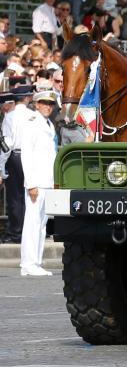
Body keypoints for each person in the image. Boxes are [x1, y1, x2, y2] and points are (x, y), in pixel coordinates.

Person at [19, 90, 57, 276]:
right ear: (36, 104)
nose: (48, 106)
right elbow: (26, 155)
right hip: (37, 182)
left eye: (50, 104)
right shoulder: (32, 123)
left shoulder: (49, 124)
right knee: (33, 222)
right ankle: (28, 263)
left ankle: (35, 261)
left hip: (47, 181)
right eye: (44, 103)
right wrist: (31, 183)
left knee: (41, 224)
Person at [0, 86, 32, 244]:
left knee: (14, 197)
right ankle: (27, 231)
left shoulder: (10, 116)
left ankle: (16, 233)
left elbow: (7, 144)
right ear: (27, 98)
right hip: (30, 156)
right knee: (28, 196)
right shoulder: (33, 116)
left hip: (15, 156)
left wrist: (1, 167)